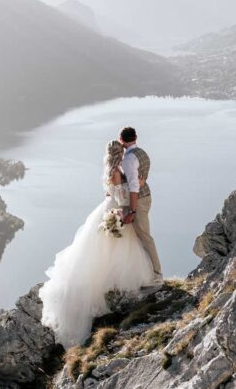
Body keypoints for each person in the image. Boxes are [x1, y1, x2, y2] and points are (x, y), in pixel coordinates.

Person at [39, 138, 155, 346]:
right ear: (120, 153)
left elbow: (110, 191)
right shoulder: (117, 172)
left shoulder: (110, 171)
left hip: (106, 206)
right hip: (117, 208)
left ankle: (107, 282)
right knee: (115, 248)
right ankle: (113, 284)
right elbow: (120, 197)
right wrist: (128, 206)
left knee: (103, 249)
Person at [119, 126, 163, 288]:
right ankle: (144, 272)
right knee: (140, 236)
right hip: (146, 196)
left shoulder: (129, 159)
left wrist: (132, 210)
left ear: (122, 140)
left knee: (144, 236)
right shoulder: (143, 153)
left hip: (139, 200)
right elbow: (142, 178)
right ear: (135, 137)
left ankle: (157, 273)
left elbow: (134, 186)